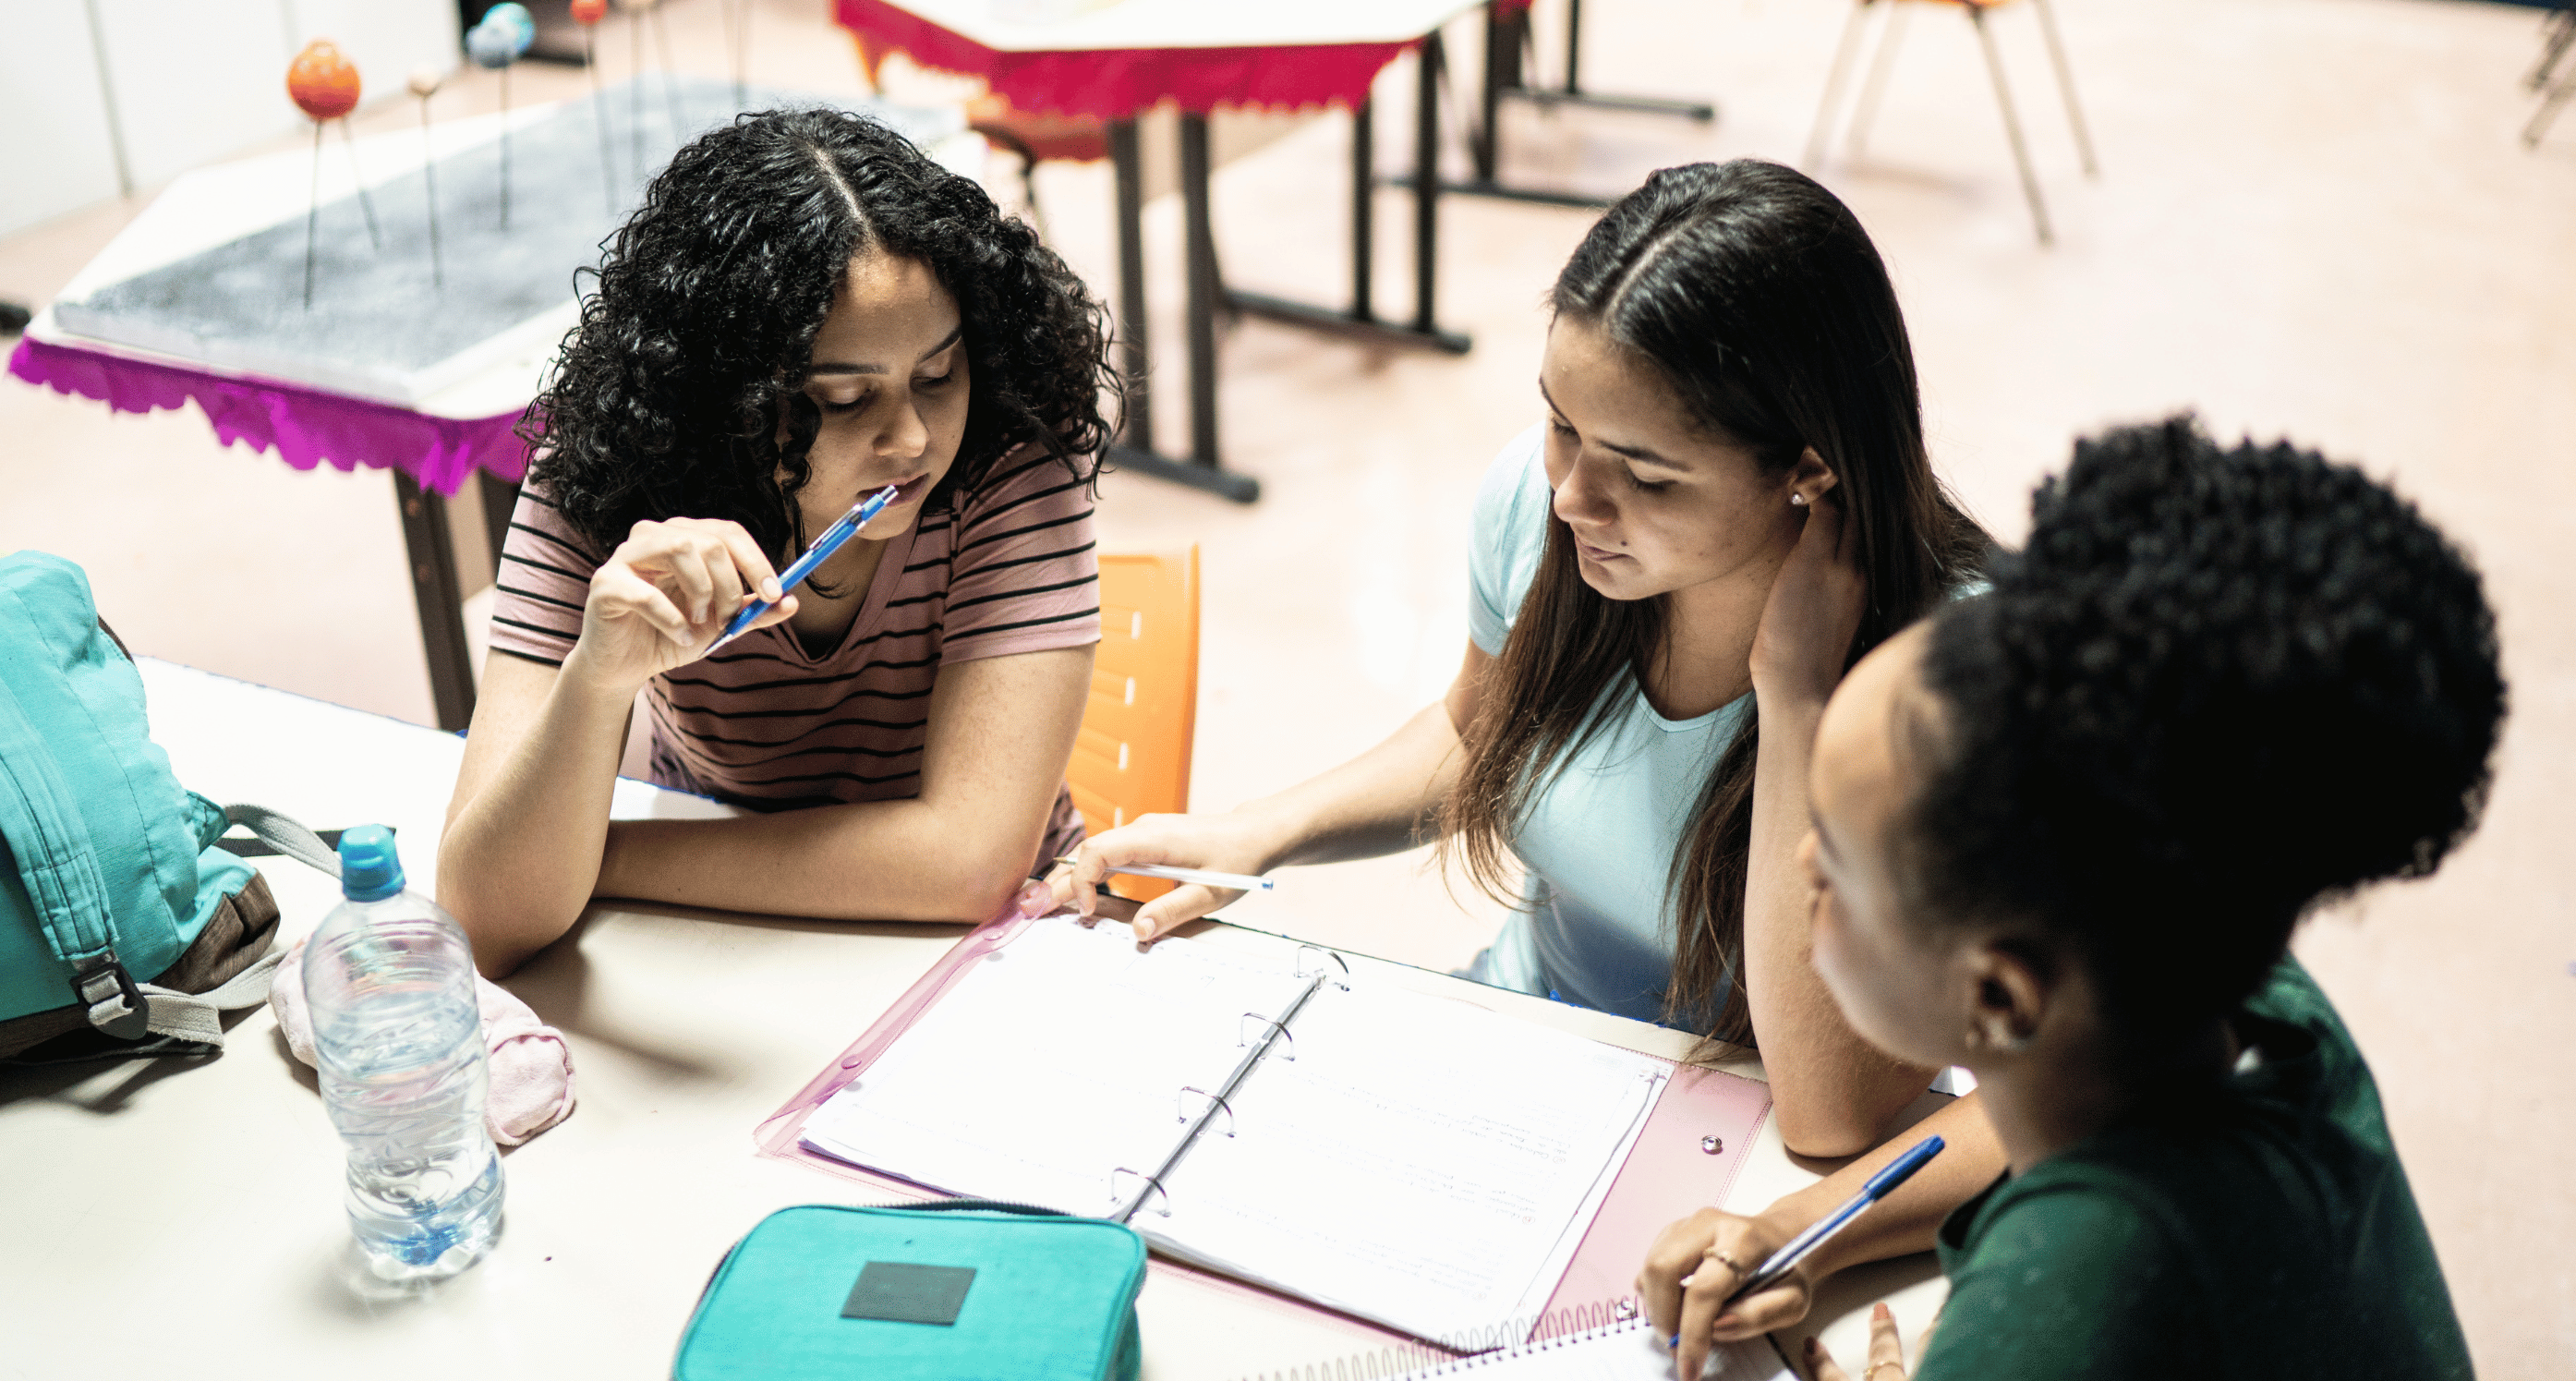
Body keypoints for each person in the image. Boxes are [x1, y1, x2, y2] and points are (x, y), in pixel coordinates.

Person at [1051, 160, 1989, 1156]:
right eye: (1560, 424)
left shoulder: (1953, 672)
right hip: (1527, 1044)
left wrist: (1798, 699)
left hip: (1745, 1142)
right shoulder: (1541, 512)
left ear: (1810, 468)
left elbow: (1829, 1110)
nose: (1574, 498)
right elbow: (1481, 729)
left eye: (1644, 474)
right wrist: (1260, 832)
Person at [1648, 418, 2497, 1381]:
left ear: (2001, 996)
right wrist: (1800, 1226)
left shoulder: (2063, 1295)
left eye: (1838, 862)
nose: (1801, 864)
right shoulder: (2229, 991)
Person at [440, 107, 1116, 977]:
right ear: (724, 398)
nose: (911, 440)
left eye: (938, 375)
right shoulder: (603, 480)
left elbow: (970, 863)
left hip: (982, 952)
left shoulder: (1008, 453)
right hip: (722, 943)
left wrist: (593, 861)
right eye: (842, 400)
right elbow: (486, 919)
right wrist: (596, 682)